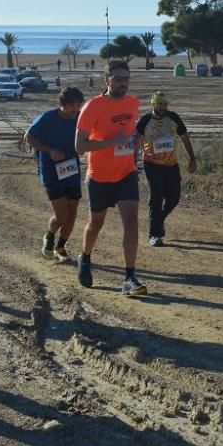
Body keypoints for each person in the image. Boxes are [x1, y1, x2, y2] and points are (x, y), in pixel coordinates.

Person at [74, 60, 146, 297]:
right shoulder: (93, 107)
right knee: (96, 224)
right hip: (99, 176)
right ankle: (85, 258)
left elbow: (131, 132)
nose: (123, 83)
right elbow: (79, 146)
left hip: (126, 173)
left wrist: (135, 141)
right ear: (106, 80)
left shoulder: (133, 103)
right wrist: (110, 143)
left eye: (126, 78)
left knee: (132, 221)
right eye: (117, 78)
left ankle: (129, 277)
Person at [25, 86, 85, 263]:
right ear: (62, 104)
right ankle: (49, 237)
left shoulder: (80, 117)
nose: (76, 109)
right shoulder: (48, 118)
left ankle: (61, 247)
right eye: (72, 105)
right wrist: (49, 150)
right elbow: (28, 137)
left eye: (78, 105)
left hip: (71, 170)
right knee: (61, 215)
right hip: (51, 172)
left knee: (72, 213)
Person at [136, 91, 196, 246]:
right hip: (151, 165)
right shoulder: (145, 121)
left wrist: (192, 158)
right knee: (156, 198)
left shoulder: (173, 118)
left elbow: (184, 138)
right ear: (153, 104)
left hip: (171, 165)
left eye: (164, 104)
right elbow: (135, 142)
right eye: (159, 104)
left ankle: (159, 219)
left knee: (174, 198)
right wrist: (132, 163)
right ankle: (154, 234)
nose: (162, 107)